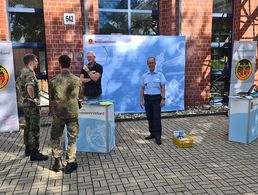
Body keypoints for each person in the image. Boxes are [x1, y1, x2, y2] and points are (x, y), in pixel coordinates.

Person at [49, 55, 81, 174]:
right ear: (70, 64)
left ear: (59, 64)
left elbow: (52, 97)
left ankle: (57, 161)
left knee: (56, 136)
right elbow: (77, 96)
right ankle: (71, 162)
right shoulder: (77, 80)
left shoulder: (54, 80)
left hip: (59, 113)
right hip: (72, 113)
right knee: (72, 137)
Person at [18, 54, 48, 161]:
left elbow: (19, 86)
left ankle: (28, 149)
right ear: (31, 62)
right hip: (31, 106)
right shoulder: (29, 73)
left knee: (28, 127)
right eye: (36, 60)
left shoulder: (23, 72)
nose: (37, 62)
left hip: (26, 105)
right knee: (34, 129)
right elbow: (29, 86)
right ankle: (34, 153)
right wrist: (34, 98)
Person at [140, 57, 166, 145]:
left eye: (152, 63)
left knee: (157, 118)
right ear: (147, 64)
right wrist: (141, 100)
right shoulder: (144, 76)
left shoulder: (160, 75)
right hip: (147, 99)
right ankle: (152, 133)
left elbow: (163, 87)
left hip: (156, 99)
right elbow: (142, 88)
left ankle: (158, 137)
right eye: (149, 63)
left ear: (155, 64)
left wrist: (163, 99)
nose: (151, 64)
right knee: (149, 117)